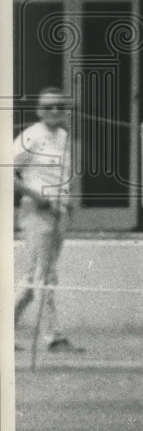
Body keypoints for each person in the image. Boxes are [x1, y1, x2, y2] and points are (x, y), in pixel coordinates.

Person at [14, 87, 84, 353]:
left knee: (35, 277)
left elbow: (62, 175)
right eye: (49, 107)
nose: (55, 111)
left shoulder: (64, 136)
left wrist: (68, 202)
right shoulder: (31, 136)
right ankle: (53, 337)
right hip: (37, 211)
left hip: (59, 212)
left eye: (59, 106)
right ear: (39, 110)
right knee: (44, 276)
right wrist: (38, 197)